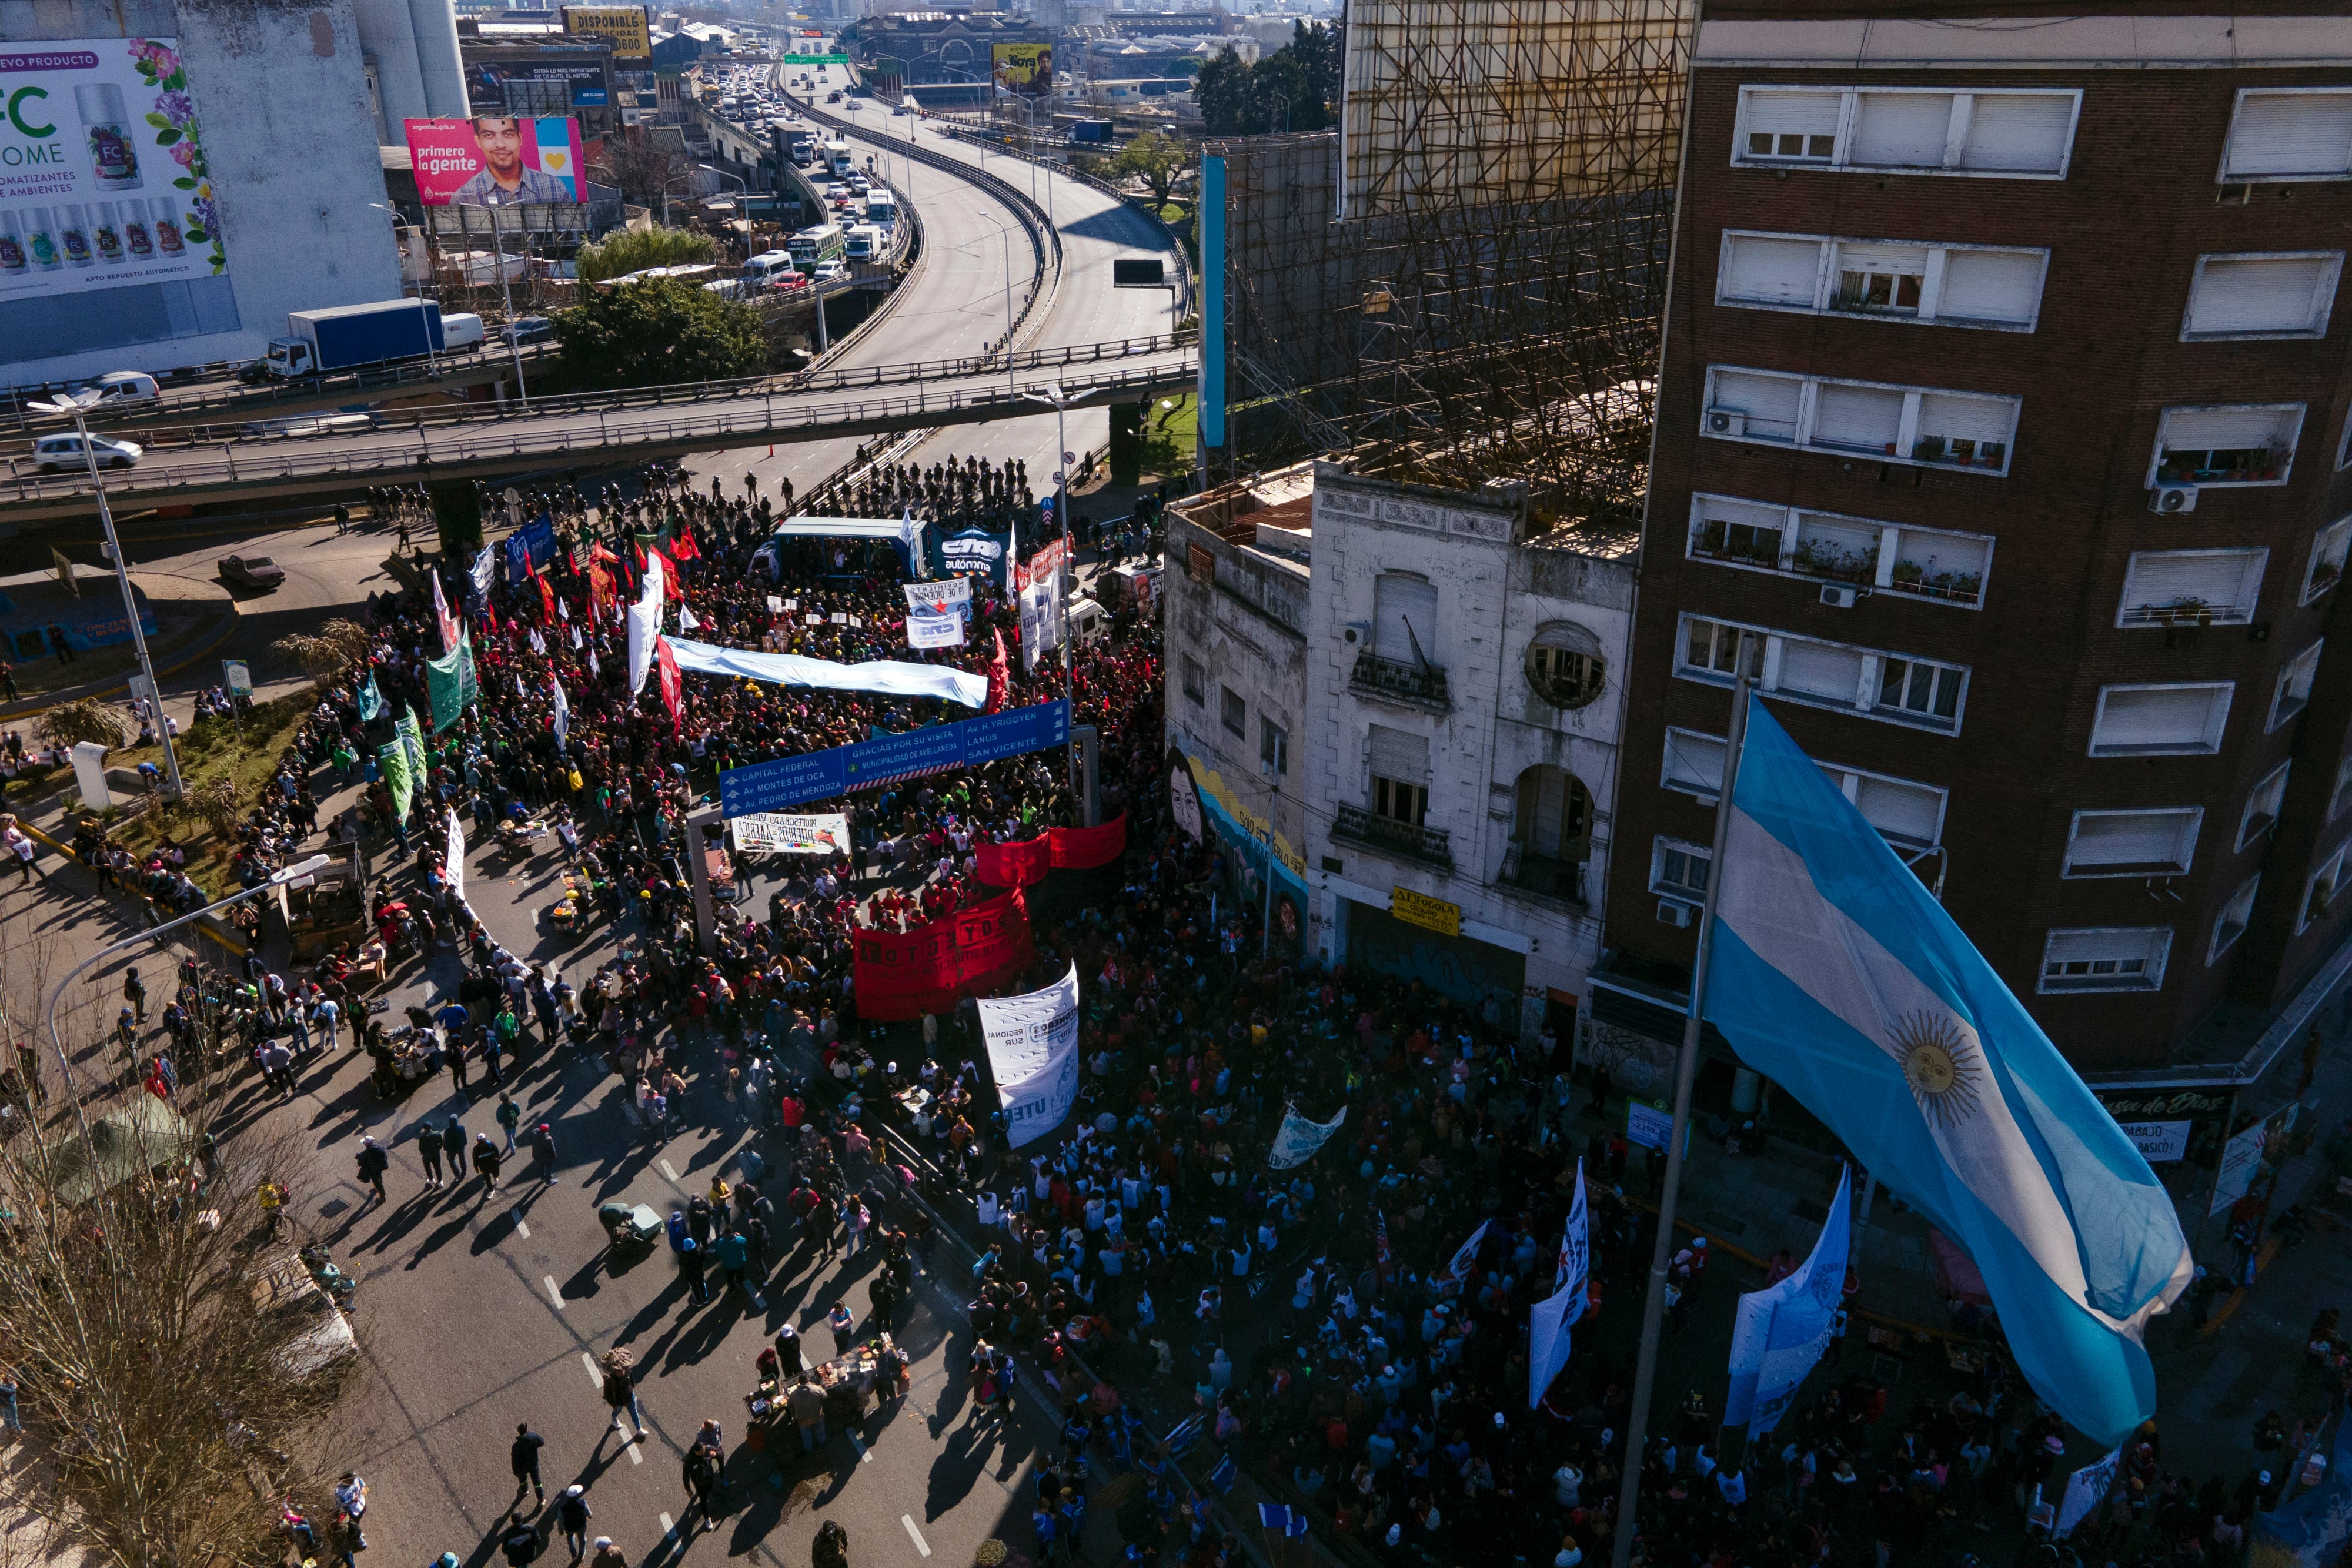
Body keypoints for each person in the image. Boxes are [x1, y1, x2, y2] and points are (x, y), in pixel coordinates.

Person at [449, 116, 576, 206]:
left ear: (520, 138)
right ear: (478, 140)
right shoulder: (464, 196)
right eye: (489, 135)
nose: (500, 144)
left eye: (508, 134)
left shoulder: (554, 186)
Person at [602, 1349, 647, 1439]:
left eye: (623, 1370)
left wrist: (633, 1385)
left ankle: (639, 1429)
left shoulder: (626, 1370)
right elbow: (607, 1394)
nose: (623, 1372)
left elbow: (631, 1378)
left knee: (634, 1412)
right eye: (620, 1371)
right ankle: (614, 1420)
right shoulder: (610, 1380)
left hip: (630, 1397)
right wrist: (613, 1404)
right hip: (619, 1402)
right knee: (617, 1412)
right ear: (614, 1371)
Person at [510, 1422, 546, 1508]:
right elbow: (542, 1442)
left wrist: (515, 1470)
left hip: (522, 1466)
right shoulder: (533, 1438)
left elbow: (514, 1460)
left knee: (523, 1479)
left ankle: (524, 1490)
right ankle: (541, 1498)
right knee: (537, 1482)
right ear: (526, 1429)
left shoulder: (516, 1446)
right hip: (533, 1464)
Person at [556, 1483, 593, 1562]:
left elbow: (560, 1519)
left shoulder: (563, 1507)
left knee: (570, 1537)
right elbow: (588, 1512)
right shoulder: (582, 1503)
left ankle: (574, 1555)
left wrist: (561, 1529)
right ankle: (581, 1555)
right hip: (581, 1525)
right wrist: (589, 1516)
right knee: (582, 1539)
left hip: (569, 1527)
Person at [354, 1136, 389, 1207]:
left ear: (367, 1144)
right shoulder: (380, 1147)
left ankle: (382, 1197)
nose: (364, 1144)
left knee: (377, 1183)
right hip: (381, 1167)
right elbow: (386, 1157)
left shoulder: (368, 1152)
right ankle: (378, 1186)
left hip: (374, 1170)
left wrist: (359, 1159)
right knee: (379, 1176)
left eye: (364, 1143)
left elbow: (360, 1163)